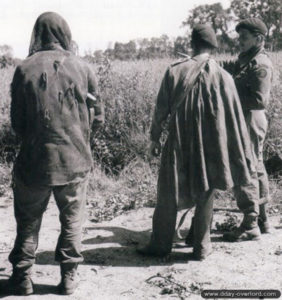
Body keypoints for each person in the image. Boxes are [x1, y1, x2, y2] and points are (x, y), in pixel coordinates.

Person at [137, 24, 257, 261]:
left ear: (192, 44)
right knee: (206, 189)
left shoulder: (174, 71)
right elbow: (233, 117)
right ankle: (202, 247)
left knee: (169, 190)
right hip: (212, 144)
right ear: (213, 46)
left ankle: (160, 245)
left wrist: (154, 139)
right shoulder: (224, 77)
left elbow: (161, 110)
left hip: (179, 140)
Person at [8, 12, 103, 295]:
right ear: (65, 34)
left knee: (27, 221)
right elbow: (98, 117)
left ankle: (23, 278)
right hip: (74, 162)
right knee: (72, 220)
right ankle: (68, 278)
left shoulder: (24, 69)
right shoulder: (84, 68)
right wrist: (81, 142)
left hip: (35, 162)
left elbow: (17, 122)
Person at [222, 18, 273, 241]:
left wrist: (231, 97)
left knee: (245, 168)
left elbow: (259, 100)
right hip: (246, 119)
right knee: (257, 166)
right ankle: (263, 219)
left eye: (244, 37)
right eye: (239, 36)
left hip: (250, 120)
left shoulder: (260, 63)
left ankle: (250, 223)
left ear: (259, 39)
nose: (239, 41)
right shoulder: (246, 60)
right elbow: (231, 70)